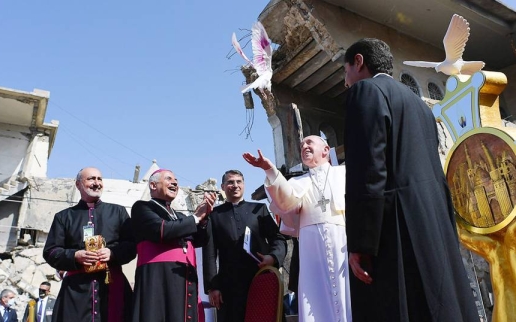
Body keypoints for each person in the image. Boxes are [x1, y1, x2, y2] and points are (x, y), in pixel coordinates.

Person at [342, 38, 479, 321]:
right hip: (433, 222)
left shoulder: (366, 91)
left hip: (396, 228)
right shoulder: (418, 104)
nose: (346, 82)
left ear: (358, 62)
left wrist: (361, 243)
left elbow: (368, 171)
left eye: (345, 72)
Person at [244, 135, 351, 322]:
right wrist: (270, 169)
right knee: (314, 297)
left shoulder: (343, 174)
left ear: (326, 150)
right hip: (311, 248)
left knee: (347, 293)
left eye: (309, 143)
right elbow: (285, 202)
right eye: (301, 145)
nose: (304, 147)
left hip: (342, 242)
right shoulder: (298, 182)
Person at [43, 167, 136, 322]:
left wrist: (113, 253)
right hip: (76, 291)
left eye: (99, 179)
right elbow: (51, 251)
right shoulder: (63, 217)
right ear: (78, 184)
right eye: (91, 179)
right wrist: (74, 256)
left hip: (112, 285)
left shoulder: (118, 212)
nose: (97, 183)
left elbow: (132, 246)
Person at [130, 169, 216, 322]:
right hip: (157, 279)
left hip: (183, 278)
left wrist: (204, 219)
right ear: (153, 185)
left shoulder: (180, 216)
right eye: (169, 179)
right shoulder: (142, 208)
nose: (175, 183)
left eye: (176, 180)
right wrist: (196, 217)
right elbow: (161, 230)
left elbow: (200, 240)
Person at [202, 169, 287, 322]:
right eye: (230, 182)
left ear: (244, 185)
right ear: (222, 186)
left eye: (238, 181)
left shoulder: (258, 209)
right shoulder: (214, 215)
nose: (235, 185)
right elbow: (209, 253)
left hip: (261, 278)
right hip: (229, 286)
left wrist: (273, 257)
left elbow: (278, 238)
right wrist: (212, 287)